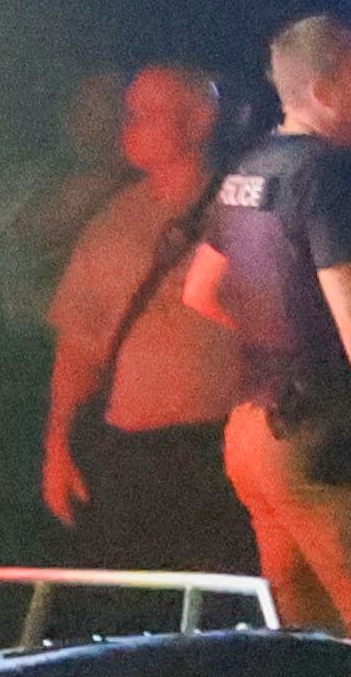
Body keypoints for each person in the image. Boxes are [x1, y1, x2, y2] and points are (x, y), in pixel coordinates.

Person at [180, 15, 351, 645]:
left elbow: (201, 291)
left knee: (304, 644)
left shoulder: (249, 169)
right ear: (322, 92)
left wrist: (276, 342)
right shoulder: (329, 176)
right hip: (328, 439)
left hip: (253, 433)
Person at [38, 65, 251, 573]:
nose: (126, 126)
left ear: (200, 119)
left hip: (218, 450)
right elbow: (79, 346)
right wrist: (57, 447)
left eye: (143, 113)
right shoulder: (111, 222)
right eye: (126, 114)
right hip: (132, 459)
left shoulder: (245, 209)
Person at [0, 70, 133, 340]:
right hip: (38, 347)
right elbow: (46, 223)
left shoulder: (139, 185)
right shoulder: (29, 180)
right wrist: (134, 155)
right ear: (71, 115)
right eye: (109, 103)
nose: (123, 116)